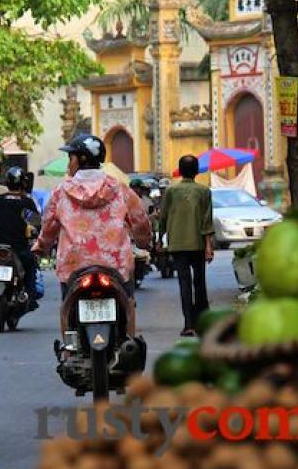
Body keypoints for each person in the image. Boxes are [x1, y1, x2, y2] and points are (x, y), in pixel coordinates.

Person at [32, 134, 151, 340]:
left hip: (74, 266)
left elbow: (48, 227)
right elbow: (140, 221)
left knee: (67, 308)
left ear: (80, 160)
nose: (69, 163)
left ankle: (69, 347)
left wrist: (41, 246)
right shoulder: (120, 188)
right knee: (128, 303)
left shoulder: (60, 193)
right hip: (115, 265)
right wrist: (143, 241)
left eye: (71, 157)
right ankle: (128, 344)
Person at [158, 155, 214, 337]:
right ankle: (202, 322)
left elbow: (163, 217)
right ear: (197, 171)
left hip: (178, 244)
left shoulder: (171, 192)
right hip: (197, 244)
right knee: (199, 284)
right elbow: (207, 222)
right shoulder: (204, 191)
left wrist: (160, 238)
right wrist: (208, 247)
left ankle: (188, 324)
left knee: (184, 284)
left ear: (180, 171)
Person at [0, 167, 40, 310]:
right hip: (19, 247)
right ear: (22, 184)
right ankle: (30, 297)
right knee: (31, 266)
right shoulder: (27, 202)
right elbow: (36, 223)